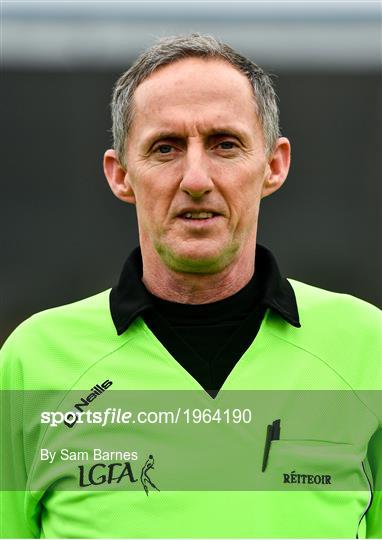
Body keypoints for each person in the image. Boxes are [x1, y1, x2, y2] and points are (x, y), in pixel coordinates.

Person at [1, 34, 381, 538]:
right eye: (166, 147)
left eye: (225, 143)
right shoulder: (33, 361)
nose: (196, 178)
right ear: (121, 175)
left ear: (273, 164)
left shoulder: (366, 345)